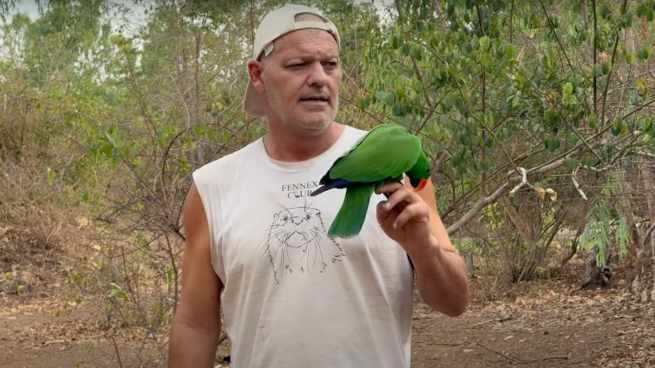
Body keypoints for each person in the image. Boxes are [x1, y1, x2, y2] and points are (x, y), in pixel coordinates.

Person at [167, 4, 469, 368]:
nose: (318, 78)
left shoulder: (399, 167)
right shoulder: (212, 187)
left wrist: (424, 249)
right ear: (258, 75)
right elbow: (196, 324)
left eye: (330, 64)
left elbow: (454, 303)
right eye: (299, 65)